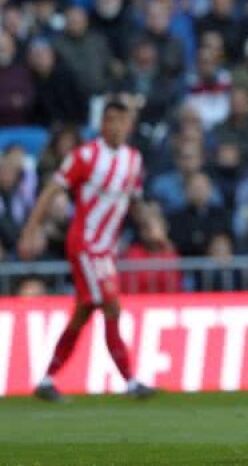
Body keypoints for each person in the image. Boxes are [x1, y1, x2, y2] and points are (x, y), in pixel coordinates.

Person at [17, 98, 157, 402]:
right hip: (84, 244)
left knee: (82, 313)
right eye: (110, 121)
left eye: (121, 121)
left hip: (106, 251)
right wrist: (31, 229)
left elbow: (134, 201)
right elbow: (51, 191)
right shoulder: (85, 156)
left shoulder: (133, 160)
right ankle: (131, 381)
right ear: (101, 124)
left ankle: (47, 379)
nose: (115, 127)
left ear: (129, 125)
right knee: (111, 306)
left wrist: (149, 225)